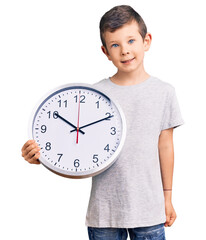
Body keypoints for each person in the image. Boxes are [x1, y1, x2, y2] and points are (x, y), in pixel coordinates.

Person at [21, 5, 184, 240]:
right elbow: (74, 143)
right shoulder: (93, 94)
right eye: (115, 45)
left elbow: (165, 146)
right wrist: (41, 157)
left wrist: (168, 199)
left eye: (130, 41)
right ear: (105, 51)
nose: (125, 50)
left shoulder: (164, 92)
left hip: (150, 209)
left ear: (146, 41)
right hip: (104, 212)